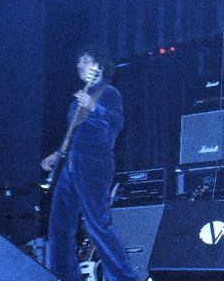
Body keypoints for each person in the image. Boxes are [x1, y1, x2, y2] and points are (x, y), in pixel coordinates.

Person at [41, 46, 137, 281]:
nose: (79, 65)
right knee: (59, 227)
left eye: (84, 60)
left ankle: (124, 278)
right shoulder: (77, 101)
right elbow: (74, 134)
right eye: (79, 61)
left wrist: (93, 106)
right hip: (70, 165)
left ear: (98, 66)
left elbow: (116, 124)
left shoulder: (109, 92)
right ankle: (63, 276)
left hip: (94, 165)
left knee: (97, 225)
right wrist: (56, 154)